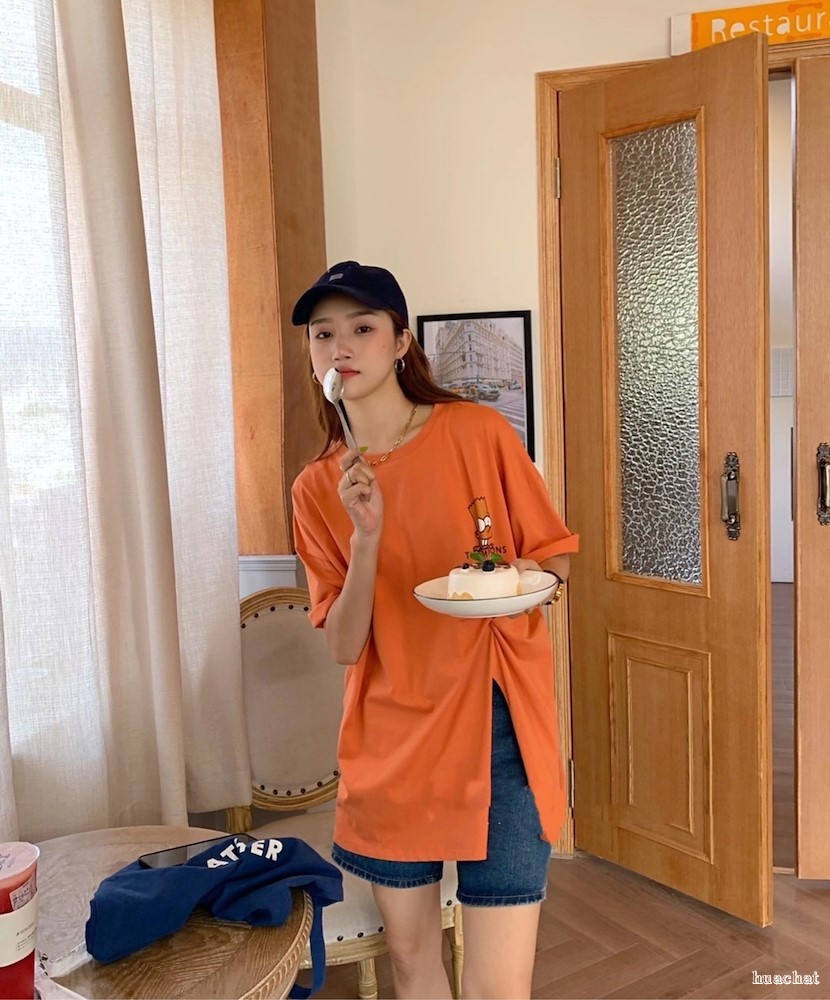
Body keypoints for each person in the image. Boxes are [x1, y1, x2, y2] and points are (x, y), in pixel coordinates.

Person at [290, 260, 578, 1000]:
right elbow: (344, 645)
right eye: (323, 334)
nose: (341, 347)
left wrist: (514, 582)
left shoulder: (477, 433)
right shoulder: (318, 488)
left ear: (401, 344)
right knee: (413, 964)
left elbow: (552, 561)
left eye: (362, 328)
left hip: (498, 724)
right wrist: (365, 539)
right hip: (391, 740)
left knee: (498, 986)